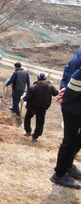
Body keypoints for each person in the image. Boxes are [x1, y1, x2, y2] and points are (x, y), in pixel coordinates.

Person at [50, 46, 81, 189]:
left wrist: (64, 87)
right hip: (76, 107)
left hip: (73, 105)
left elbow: (68, 68)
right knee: (72, 141)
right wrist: (67, 96)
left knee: (73, 140)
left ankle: (68, 165)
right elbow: (77, 78)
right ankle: (60, 174)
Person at [23, 72, 58, 142]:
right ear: (45, 79)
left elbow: (27, 98)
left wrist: (23, 98)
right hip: (43, 108)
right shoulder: (50, 87)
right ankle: (35, 137)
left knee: (27, 118)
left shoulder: (33, 87)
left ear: (38, 78)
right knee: (40, 122)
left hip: (32, 107)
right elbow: (56, 93)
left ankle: (28, 131)